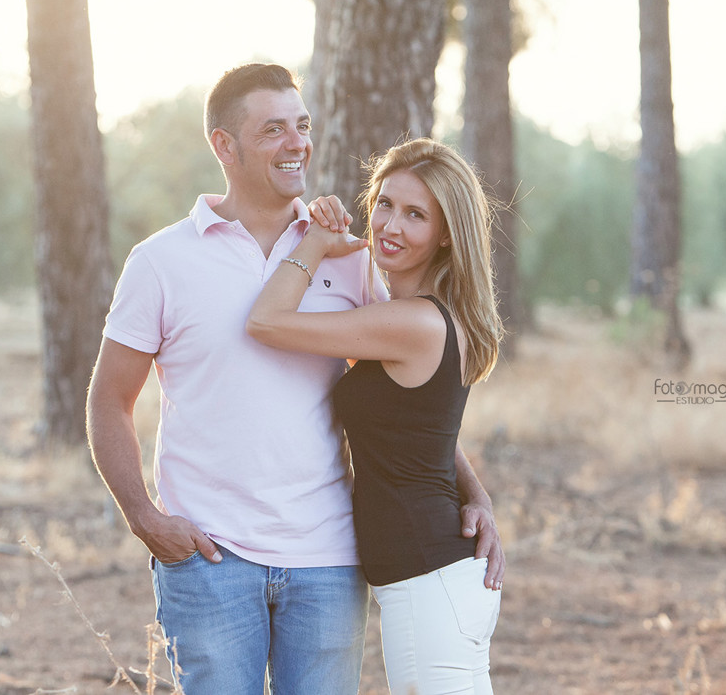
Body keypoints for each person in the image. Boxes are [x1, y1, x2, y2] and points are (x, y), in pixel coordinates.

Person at [87, 64, 503, 694]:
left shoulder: (352, 259)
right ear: (224, 146)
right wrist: (144, 517)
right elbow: (109, 400)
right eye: (273, 129)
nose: (297, 144)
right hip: (211, 558)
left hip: (330, 561)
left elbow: (410, 410)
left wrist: (474, 493)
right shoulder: (160, 263)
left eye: (302, 126)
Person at [246, 137, 506, 695]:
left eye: (416, 214)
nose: (390, 224)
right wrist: (478, 496)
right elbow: (424, 430)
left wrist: (315, 244)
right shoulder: (412, 318)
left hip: (428, 578)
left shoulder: (412, 323)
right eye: (385, 203)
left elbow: (266, 322)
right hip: (429, 576)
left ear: (445, 233)